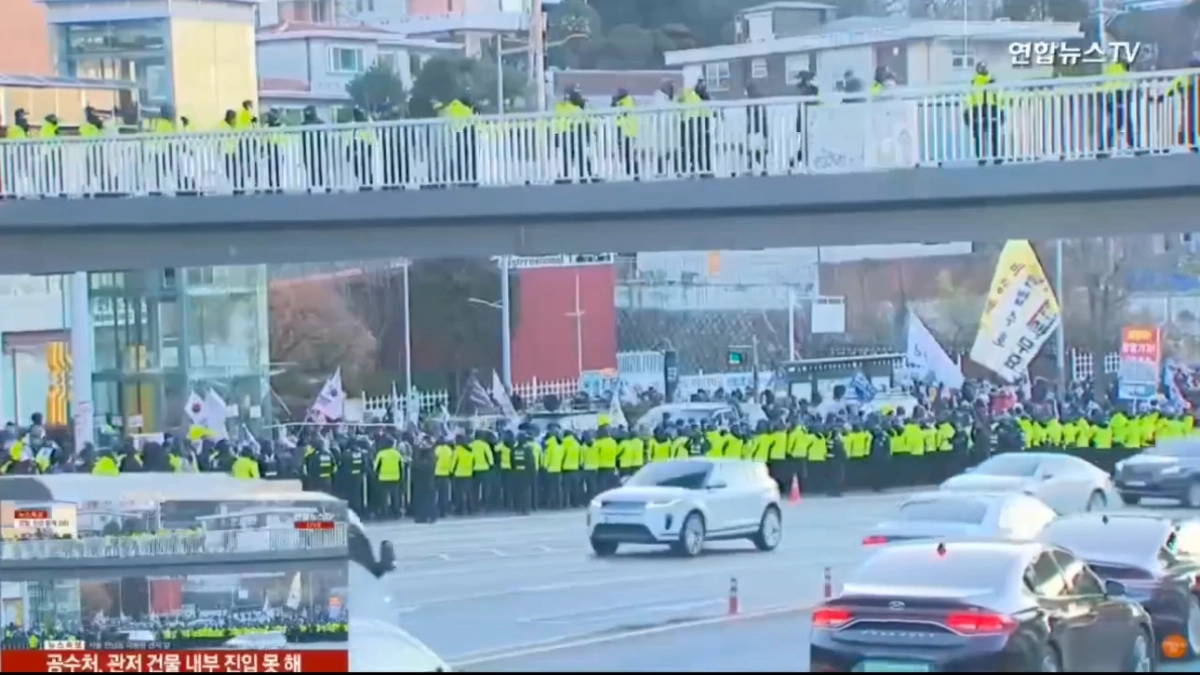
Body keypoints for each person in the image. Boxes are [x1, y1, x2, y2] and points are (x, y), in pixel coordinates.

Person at [964, 62, 1001, 165]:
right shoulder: (973, 82)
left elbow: (999, 95)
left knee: (994, 134)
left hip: (992, 107)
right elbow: (969, 97)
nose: (983, 69)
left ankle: (996, 156)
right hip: (977, 109)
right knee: (979, 135)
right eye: (981, 67)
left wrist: (1000, 109)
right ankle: (981, 157)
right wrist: (969, 111)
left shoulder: (992, 81)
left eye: (984, 67)